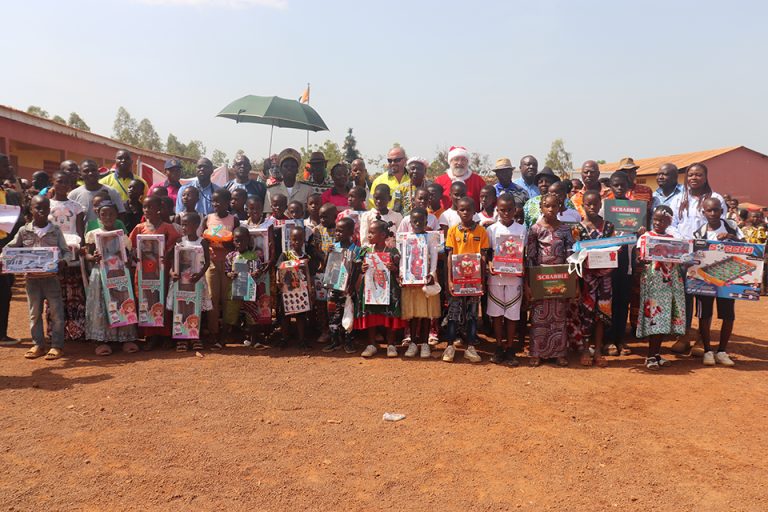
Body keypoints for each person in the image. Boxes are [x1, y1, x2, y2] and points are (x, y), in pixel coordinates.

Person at [1, 196, 70, 360]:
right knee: (34, 313)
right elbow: (8, 249)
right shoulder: (24, 231)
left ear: (49, 210)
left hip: (51, 279)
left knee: (57, 313)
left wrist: (63, 262)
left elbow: (66, 251)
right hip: (32, 280)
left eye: (45, 208)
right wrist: (2, 260)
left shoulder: (55, 230)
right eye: (37, 208)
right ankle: (38, 344)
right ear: (31, 209)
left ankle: (57, 346)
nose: (41, 211)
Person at [669, 163, 727, 355]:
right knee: (683, 298)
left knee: (705, 298)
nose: (694, 178)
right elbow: (672, 224)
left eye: (699, 175)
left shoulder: (715, 198)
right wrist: (682, 241)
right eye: (691, 175)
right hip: (683, 255)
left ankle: (702, 340)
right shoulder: (679, 199)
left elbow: (722, 224)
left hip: (707, 257)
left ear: (706, 176)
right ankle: (684, 336)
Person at [525, 192, 575, 367]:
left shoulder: (565, 230)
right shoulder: (535, 230)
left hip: (561, 278)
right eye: (547, 205)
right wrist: (529, 284)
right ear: (541, 207)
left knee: (559, 315)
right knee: (539, 316)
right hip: (540, 278)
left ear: (560, 207)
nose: (551, 209)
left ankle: (559, 353)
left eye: (554, 206)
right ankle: (537, 352)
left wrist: (572, 281)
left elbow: (571, 256)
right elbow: (530, 257)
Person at [692, 197, 744, 366]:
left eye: (716, 210)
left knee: (728, 315)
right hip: (704, 280)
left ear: (722, 211)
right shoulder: (699, 232)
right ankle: (707, 350)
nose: (713, 213)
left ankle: (722, 350)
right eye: (709, 210)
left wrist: (732, 237)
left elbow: (747, 246)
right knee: (704, 315)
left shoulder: (731, 226)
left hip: (728, 277)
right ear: (704, 212)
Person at [83, 201, 139, 355]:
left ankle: (126, 338)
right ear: (98, 216)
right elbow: (87, 254)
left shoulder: (121, 235)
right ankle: (102, 340)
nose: (107, 217)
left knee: (122, 302)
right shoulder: (93, 234)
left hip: (119, 274)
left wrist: (126, 258)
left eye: (111, 214)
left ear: (116, 215)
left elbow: (128, 255)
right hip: (100, 274)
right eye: (103, 214)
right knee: (102, 304)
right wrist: (92, 256)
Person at [636, 205, 686, 370]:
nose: (657, 222)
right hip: (653, 283)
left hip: (670, 283)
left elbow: (680, 259)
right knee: (654, 318)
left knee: (665, 318)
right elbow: (638, 259)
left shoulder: (673, 240)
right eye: (655, 219)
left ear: (669, 222)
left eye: (662, 220)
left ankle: (656, 354)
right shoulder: (644, 237)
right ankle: (650, 356)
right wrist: (642, 260)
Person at [129, 195, 181, 350]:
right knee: (146, 300)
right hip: (144, 272)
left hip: (162, 272)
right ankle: (150, 336)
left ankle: (165, 335)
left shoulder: (167, 227)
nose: (147, 210)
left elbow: (176, 245)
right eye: (145, 207)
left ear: (159, 209)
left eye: (150, 207)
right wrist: (135, 256)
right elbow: (130, 247)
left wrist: (168, 253)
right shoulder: (139, 228)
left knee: (163, 300)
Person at [442, 197, 489, 363]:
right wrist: (449, 280)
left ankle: (470, 347)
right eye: (462, 209)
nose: (465, 213)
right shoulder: (453, 231)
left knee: (472, 314)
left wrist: (482, 280)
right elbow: (450, 256)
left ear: (474, 211)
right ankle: (449, 346)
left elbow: (483, 257)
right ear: (457, 211)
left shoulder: (481, 232)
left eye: (469, 209)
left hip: (474, 280)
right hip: (457, 279)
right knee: (454, 313)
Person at [575, 190, 615, 367]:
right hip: (587, 279)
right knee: (586, 314)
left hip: (606, 278)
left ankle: (598, 350)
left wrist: (614, 252)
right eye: (588, 204)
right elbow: (575, 254)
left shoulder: (608, 227)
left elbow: (614, 248)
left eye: (595, 204)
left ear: (601, 205)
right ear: (583, 205)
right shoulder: (578, 228)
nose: (592, 207)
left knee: (602, 314)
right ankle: (585, 348)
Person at [486, 193, 526, 366]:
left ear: (515, 209)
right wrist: (489, 265)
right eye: (502, 210)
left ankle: (510, 348)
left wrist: (522, 266)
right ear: (497, 210)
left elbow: (524, 255)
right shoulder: (491, 230)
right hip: (496, 277)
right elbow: (487, 253)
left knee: (512, 314)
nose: (506, 213)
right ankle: (499, 346)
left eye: (510, 209)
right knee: (496, 314)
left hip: (515, 278)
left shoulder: (522, 229)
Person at [356, 219, 405, 357]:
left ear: (383, 235)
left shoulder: (392, 251)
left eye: (372, 233)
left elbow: (399, 271)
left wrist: (393, 268)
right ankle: (372, 344)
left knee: (388, 314)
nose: (369, 235)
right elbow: (358, 268)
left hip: (388, 289)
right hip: (370, 288)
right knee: (371, 314)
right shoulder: (365, 251)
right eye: (368, 233)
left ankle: (391, 344)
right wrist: (362, 268)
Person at [395, 207, 440, 359]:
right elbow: (402, 258)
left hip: (426, 281)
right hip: (410, 282)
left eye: (421, 221)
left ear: (426, 222)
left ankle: (426, 344)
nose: (417, 223)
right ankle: (414, 343)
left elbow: (434, 256)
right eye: (414, 221)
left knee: (427, 313)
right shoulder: (405, 238)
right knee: (413, 314)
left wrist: (432, 273)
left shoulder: (431, 237)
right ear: (410, 222)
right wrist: (402, 273)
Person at [47, 170, 86, 342]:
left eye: (66, 183)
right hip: (51, 254)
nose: (63, 185)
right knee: (54, 293)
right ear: (53, 182)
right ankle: (55, 331)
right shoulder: (45, 205)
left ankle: (76, 330)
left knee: (74, 293)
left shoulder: (76, 207)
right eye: (59, 181)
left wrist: (78, 251)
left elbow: (79, 232)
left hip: (71, 253)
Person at [165, 212, 212, 352]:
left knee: (195, 307)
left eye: (186, 224)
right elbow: (172, 260)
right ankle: (181, 337)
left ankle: (194, 337)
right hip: (181, 283)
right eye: (182, 224)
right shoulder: (179, 242)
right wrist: (171, 272)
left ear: (196, 225)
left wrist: (200, 275)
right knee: (181, 308)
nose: (183, 227)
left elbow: (207, 262)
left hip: (196, 282)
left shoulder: (202, 242)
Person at [201, 189, 239, 347]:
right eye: (214, 201)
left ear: (228, 202)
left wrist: (225, 242)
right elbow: (203, 241)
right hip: (212, 263)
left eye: (220, 201)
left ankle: (226, 333)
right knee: (212, 298)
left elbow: (237, 242)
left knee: (227, 298)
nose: (216, 204)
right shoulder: (208, 219)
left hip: (229, 264)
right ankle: (213, 332)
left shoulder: (233, 220)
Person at [605, 171, 635, 357]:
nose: (619, 188)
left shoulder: (635, 208)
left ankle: (620, 339)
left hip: (627, 259)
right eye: (615, 185)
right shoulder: (604, 207)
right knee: (608, 301)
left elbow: (641, 234)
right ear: (610, 186)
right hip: (608, 259)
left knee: (623, 301)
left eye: (622, 185)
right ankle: (608, 340)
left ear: (627, 186)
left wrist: (639, 230)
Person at [322, 217, 360, 353]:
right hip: (333, 288)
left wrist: (351, 286)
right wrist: (328, 253)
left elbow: (357, 269)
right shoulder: (334, 247)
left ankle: (348, 342)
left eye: (341, 231)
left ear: (350, 232)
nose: (337, 234)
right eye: (336, 231)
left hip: (348, 290)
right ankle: (335, 341)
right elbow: (326, 265)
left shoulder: (356, 250)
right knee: (333, 314)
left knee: (348, 314)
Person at [0, 153, 22, 344]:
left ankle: (2, 333)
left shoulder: (6, 192)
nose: (10, 168)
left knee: (5, 288)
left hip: (4, 246)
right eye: (6, 165)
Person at [434, 145, 485, 210]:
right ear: (450, 162)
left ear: (467, 162)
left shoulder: (477, 180)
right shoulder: (440, 181)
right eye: (456, 159)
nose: (460, 163)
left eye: (463, 160)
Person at [263, 148, 314, 214]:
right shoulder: (271, 190)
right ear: (281, 169)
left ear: (297, 170)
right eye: (286, 166)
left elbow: (311, 213)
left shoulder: (307, 189)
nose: (289, 168)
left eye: (293, 166)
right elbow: (268, 214)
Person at [369, 146, 411, 212]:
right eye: (390, 160)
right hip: (386, 220)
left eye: (396, 160)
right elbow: (372, 206)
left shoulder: (412, 179)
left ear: (405, 160)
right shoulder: (378, 181)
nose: (393, 163)